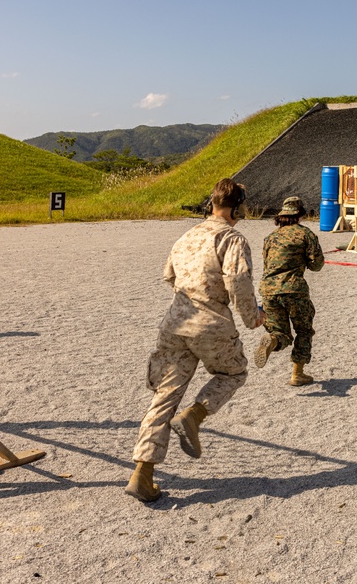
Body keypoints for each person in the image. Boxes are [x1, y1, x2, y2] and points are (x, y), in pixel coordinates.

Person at [126, 178, 266, 503]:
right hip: (211, 322)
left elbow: (169, 276)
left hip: (175, 323)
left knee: (164, 396)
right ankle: (194, 416)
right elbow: (239, 282)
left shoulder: (185, 236)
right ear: (236, 208)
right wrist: (251, 317)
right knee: (234, 373)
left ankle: (142, 475)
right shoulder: (231, 238)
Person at [254, 196, 325, 386]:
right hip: (294, 289)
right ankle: (297, 374)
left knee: (280, 332)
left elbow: (267, 264)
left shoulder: (270, 238)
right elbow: (317, 264)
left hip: (268, 290)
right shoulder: (305, 234)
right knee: (304, 330)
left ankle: (272, 339)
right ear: (299, 214)